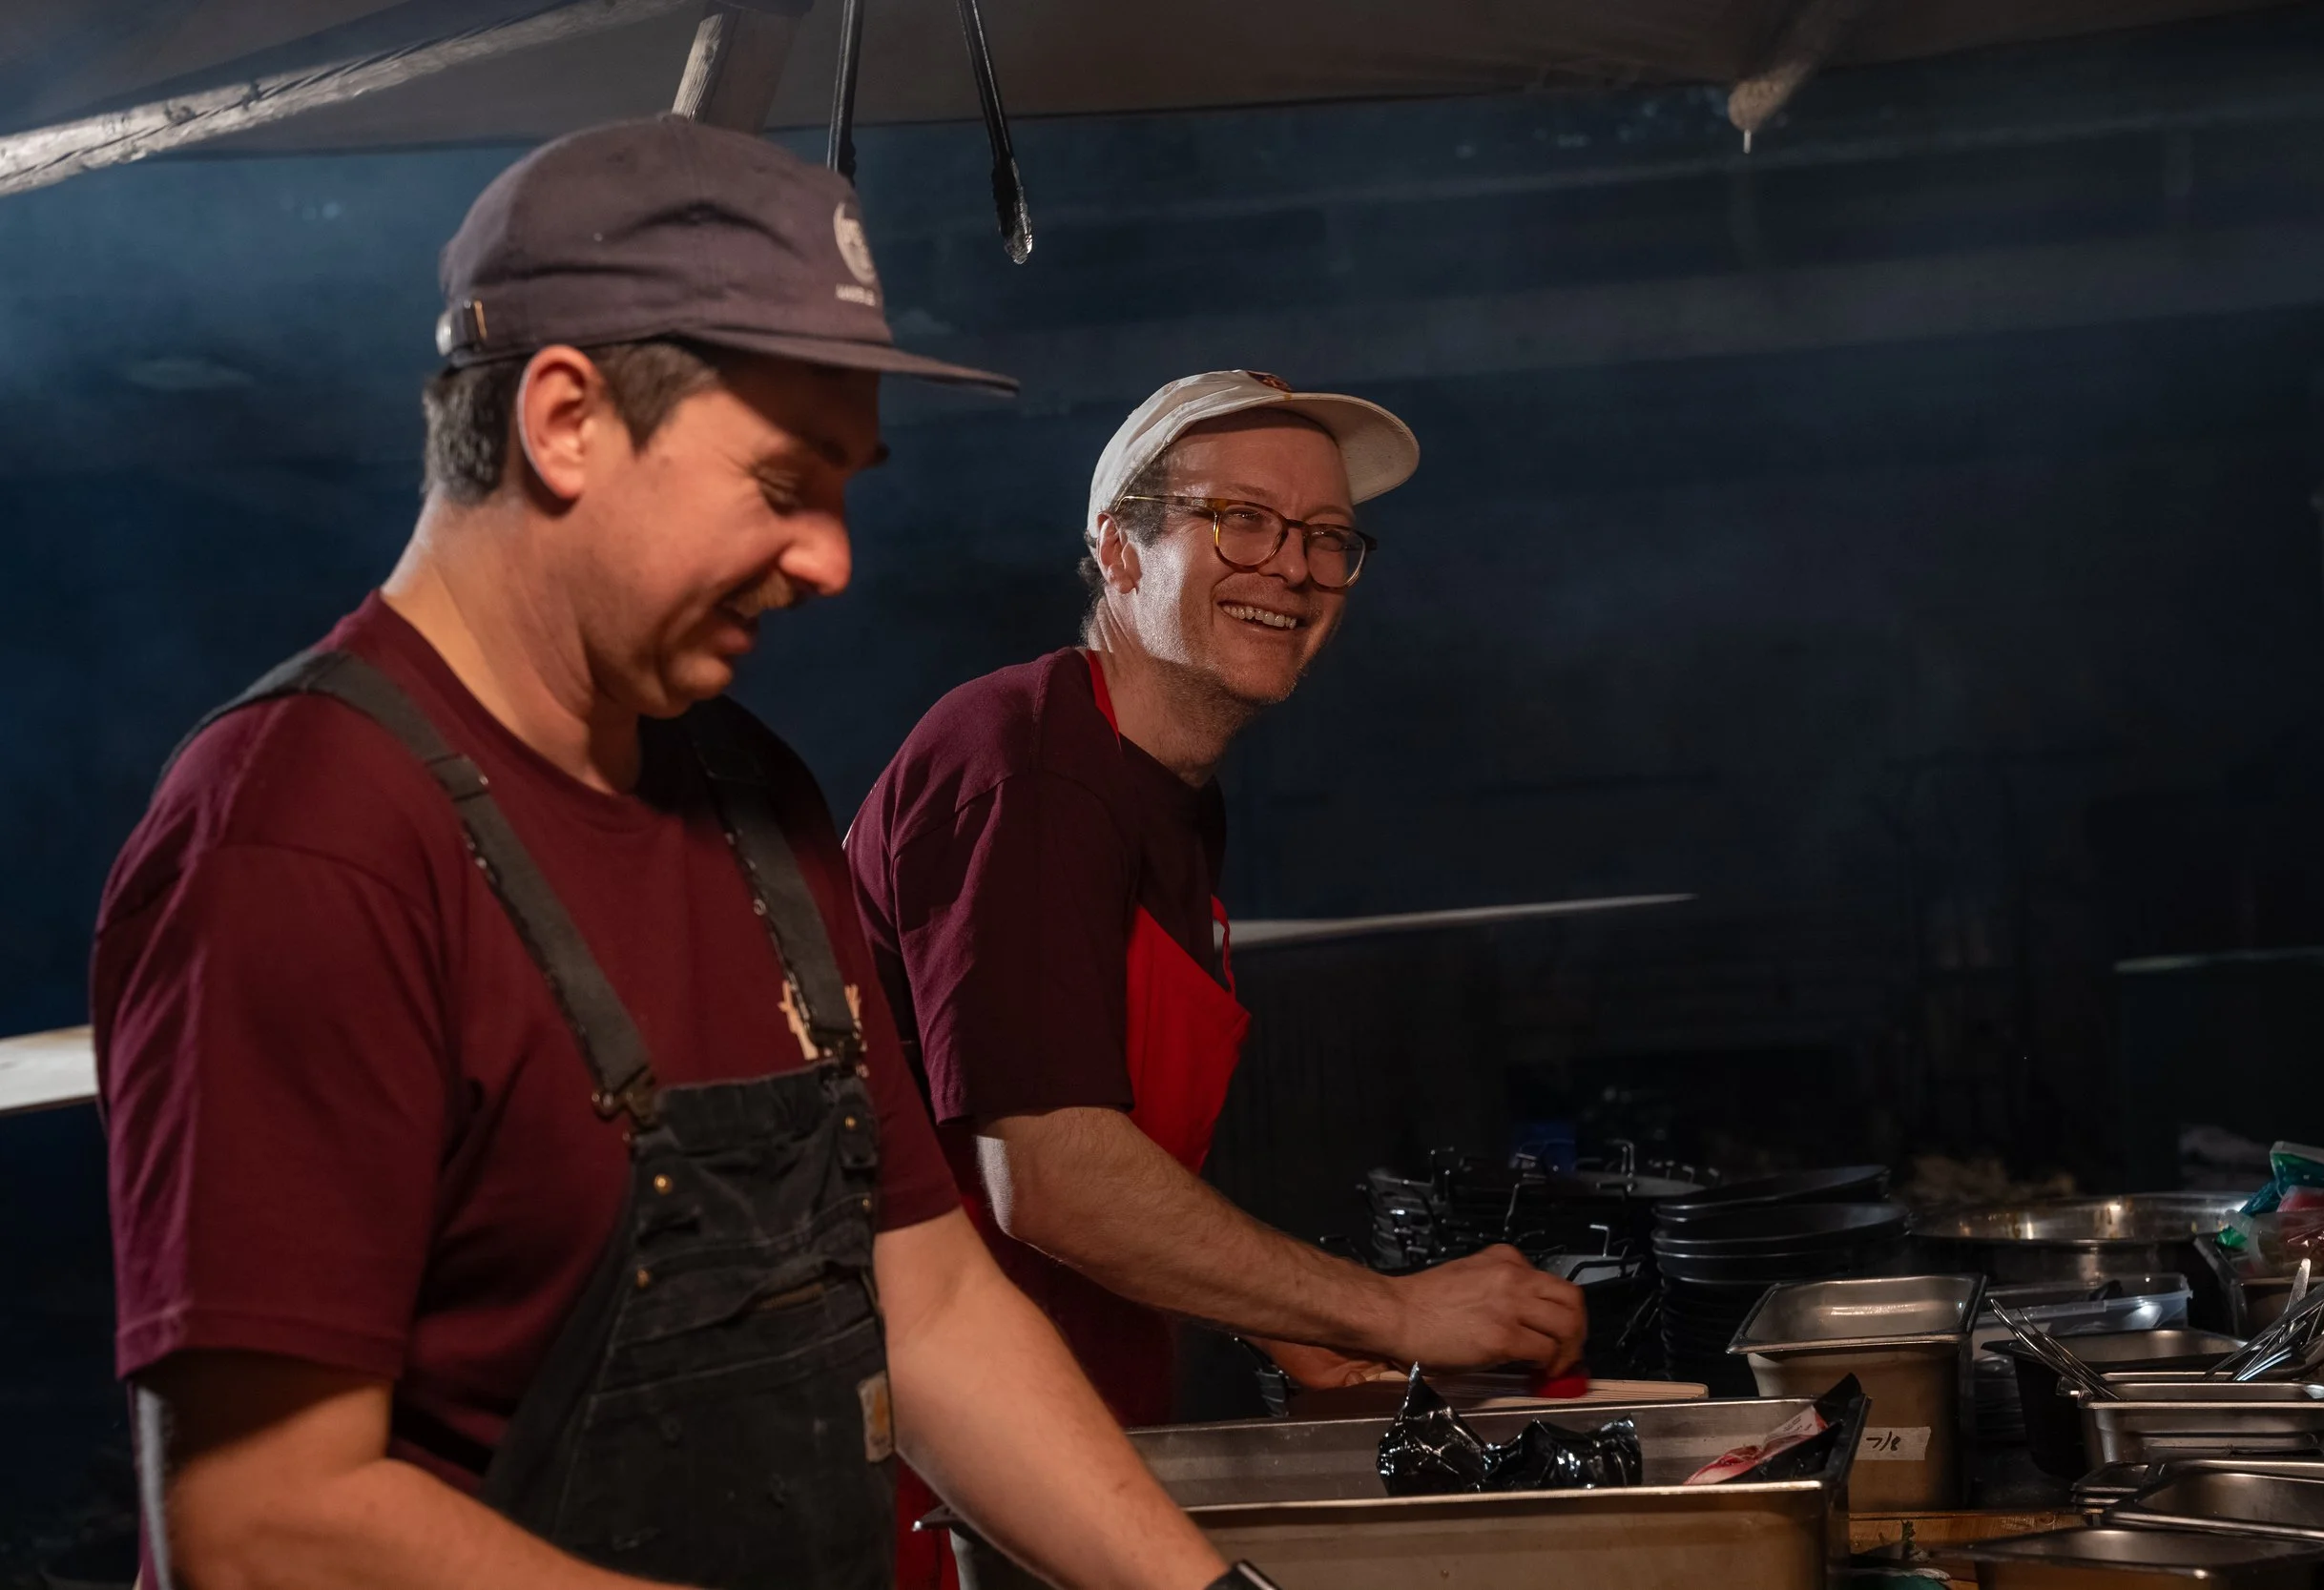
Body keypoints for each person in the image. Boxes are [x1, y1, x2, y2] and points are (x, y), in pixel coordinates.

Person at [92, 118, 1257, 1590]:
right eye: (783, 483)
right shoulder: (303, 835)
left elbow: (933, 1296)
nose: (834, 556)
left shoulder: (742, 786)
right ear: (566, 419)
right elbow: (265, 1523)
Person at [847, 371, 1591, 1570]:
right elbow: (1047, 1174)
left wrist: (1289, 1326)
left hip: (1073, 1426)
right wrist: (1386, 1306)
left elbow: (1112, 1184)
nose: (1291, 567)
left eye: (1327, 537)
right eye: (1240, 519)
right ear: (1120, 549)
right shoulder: (1032, 766)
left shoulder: (1168, 800)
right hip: (933, 1473)